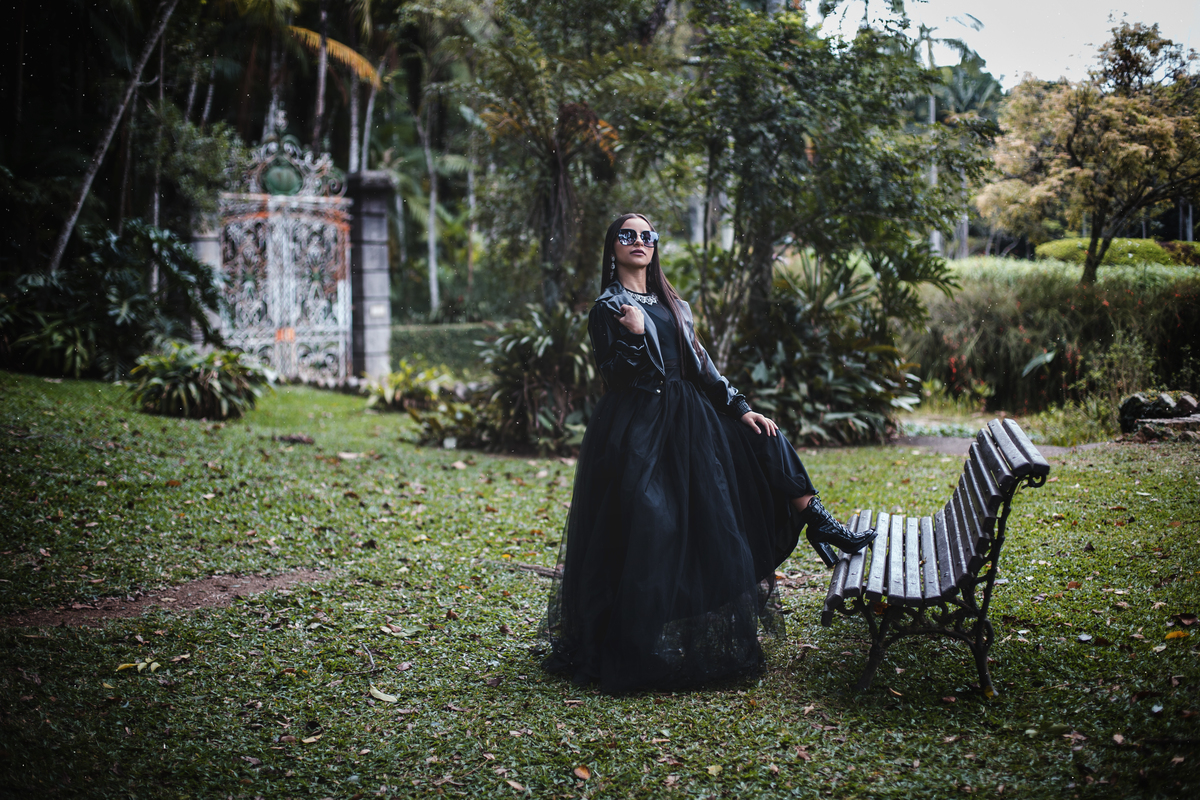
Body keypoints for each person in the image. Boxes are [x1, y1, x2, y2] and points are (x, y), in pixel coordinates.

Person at [540, 213, 875, 693]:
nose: (638, 241)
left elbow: (701, 366)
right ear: (613, 247)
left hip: (688, 418)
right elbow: (614, 377)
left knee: (765, 436)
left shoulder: (675, 303)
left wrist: (740, 408)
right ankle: (635, 643)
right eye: (627, 235)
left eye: (647, 236)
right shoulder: (608, 307)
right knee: (655, 527)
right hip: (638, 427)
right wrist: (634, 335)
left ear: (655, 246)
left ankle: (817, 519)